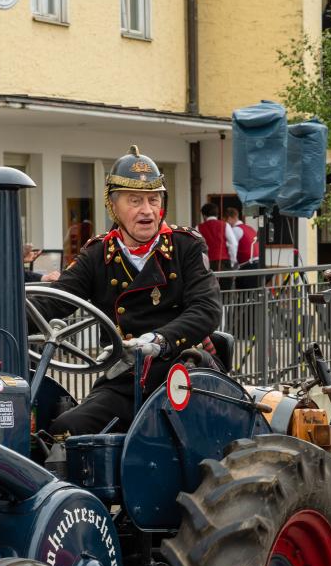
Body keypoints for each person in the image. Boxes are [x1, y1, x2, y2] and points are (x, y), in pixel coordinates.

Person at [38, 145, 222, 437]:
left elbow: (207, 309)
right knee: (65, 431)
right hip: (126, 377)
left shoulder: (186, 245)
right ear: (114, 206)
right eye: (135, 200)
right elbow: (53, 303)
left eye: (153, 199)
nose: (147, 210)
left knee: (170, 438)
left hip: (185, 369)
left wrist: (158, 340)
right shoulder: (97, 254)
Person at [197, 202, 237, 285]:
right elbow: (233, 244)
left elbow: (197, 247)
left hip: (207, 264)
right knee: (226, 292)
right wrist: (232, 261)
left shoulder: (198, 227)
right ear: (217, 214)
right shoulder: (225, 225)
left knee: (210, 290)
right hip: (224, 262)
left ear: (204, 216)